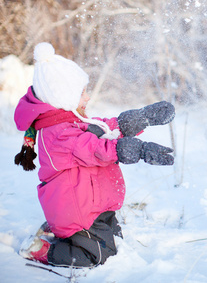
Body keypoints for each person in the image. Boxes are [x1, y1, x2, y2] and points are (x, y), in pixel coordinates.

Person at [14, 42, 176, 267]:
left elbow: (104, 129)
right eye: (82, 93)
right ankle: (44, 250)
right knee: (101, 255)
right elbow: (96, 148)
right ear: (63, 98)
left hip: (91, 206)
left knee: (116, 240)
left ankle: (62, 232)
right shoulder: (60, 135)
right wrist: (137, 149)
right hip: (78, 212)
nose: (87, 98)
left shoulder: (71, 122)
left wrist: (139, 118)